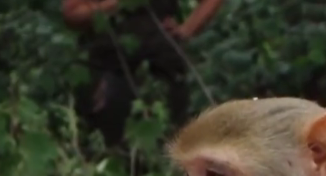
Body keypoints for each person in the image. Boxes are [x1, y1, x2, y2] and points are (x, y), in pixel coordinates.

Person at [61, 0, 225, 149]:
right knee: (113, 147)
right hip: (108, 67)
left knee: (170, 143)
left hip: (163, 68)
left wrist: (187, 29)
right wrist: (116, 4)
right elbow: (72, 14)